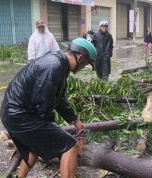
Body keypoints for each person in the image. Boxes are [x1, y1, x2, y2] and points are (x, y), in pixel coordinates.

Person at [1, 38, 97, 177]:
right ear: (80, 57)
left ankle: (19, 176)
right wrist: (58, 134)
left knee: (35, 146)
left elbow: (59, 97)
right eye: (85, 64)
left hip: (13, 114)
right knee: (71, 146)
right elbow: (43, 105)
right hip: (19, 115)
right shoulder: (54, 66)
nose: (83, 68)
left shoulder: (59, 64)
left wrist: (75, 120)